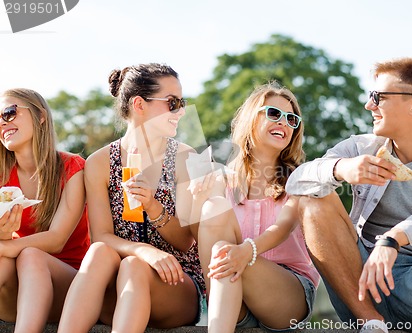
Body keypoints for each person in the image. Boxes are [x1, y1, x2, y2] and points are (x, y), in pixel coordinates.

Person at [286, 58, 412, 333]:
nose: (369, 105)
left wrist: (394, 238)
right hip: (360, 290)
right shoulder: (360, 148)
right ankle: (372, 323)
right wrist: (340, 168)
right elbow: (294, 183)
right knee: (312, 199)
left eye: (378, 97)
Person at [57, 63, 204, 333]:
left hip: (176, 283)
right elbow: (101, 236)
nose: (181, 111)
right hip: (118, 286)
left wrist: (152, 204)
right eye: (172, 103)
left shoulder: (186, 157)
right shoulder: (100, 162)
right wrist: (143, 250)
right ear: (139, 104)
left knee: (134, 267)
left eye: (182, 103)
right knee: (102, 252)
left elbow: (186, 242)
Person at [193, 82, 320, 333]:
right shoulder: (223, 179)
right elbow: (202, 240)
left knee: (230, 254)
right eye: (274, 113)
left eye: (292, 119)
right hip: (232, 295)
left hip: (286, 296)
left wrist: (245, 252)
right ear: (251, 119)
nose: (284, 123)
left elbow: (282, 228)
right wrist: (198, 194)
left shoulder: (298, 178)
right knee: (213, 211)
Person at [0, 88, 90, 332]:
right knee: (6, 262)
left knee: (29, 255)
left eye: (9, 113)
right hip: (17, 292)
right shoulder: (2, 177)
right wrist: (4, 237)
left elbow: (56, 240)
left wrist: (5, 246)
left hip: (69, 287)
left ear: (40, 116)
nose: (2, 123)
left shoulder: (72, 167)